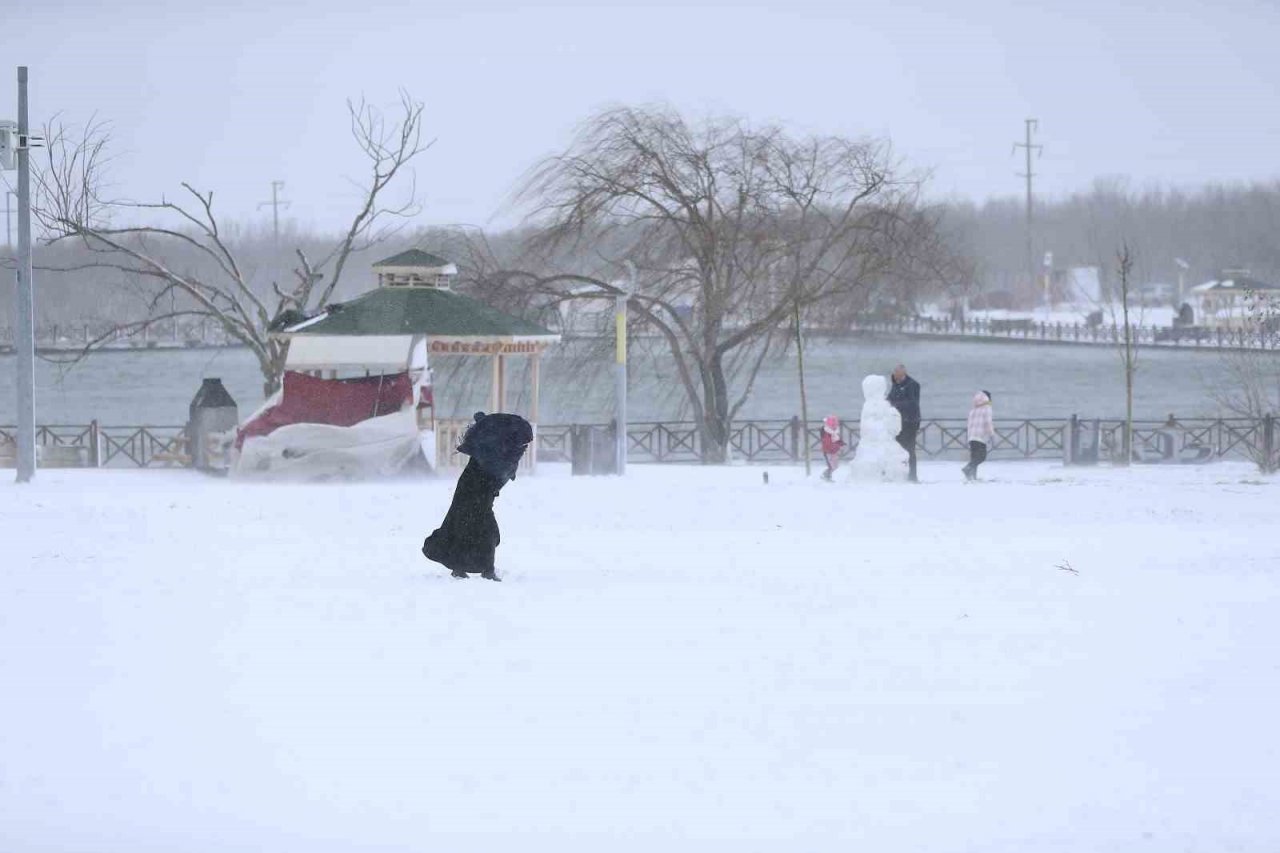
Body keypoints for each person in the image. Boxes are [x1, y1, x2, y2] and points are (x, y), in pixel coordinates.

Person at [422, 411, 533, 581]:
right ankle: (484, 569)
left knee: (464, 527)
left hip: (477, 493)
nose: (523, 448)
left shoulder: (493, 450)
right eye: (522, 444)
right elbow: (495, 473)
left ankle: (465, 567)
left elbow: (496, 473)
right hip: (475, 493)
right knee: (478, 530)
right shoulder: (494, 454)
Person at [887, 364, 921, 482]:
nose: (895, 377)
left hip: (910, 421)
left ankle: (912, 476)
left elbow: (913, 403)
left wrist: (895, 404)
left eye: (897, 375)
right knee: (898, 449)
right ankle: (900, 474)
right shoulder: (895, 385)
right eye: (894, 374)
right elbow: (890, 398)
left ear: (903, 374)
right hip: (897, 422)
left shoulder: (913, 385)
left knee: (909, 449)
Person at [962, 390, 995, 481]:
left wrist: (968, 437)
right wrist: (992, 435)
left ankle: (972, 477)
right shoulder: (987, 407)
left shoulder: (973, 409)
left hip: (971, 436)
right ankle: (967, 468)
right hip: (980, 437)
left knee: (974, 457)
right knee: (981, 457)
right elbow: (988, 422)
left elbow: (969, 424)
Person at [820, 415, 846, 481]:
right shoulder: (827, 432)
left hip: (834, 451)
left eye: (836, 424)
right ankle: (826, 476)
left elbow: (837, 439)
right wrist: (836, 446)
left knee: (835, 466)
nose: (835, 426)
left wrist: (842, 444)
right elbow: (827, 443)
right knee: (831, 466)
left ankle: (827, 476)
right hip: (828, 451)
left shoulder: (834, 432)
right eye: (833, 425)